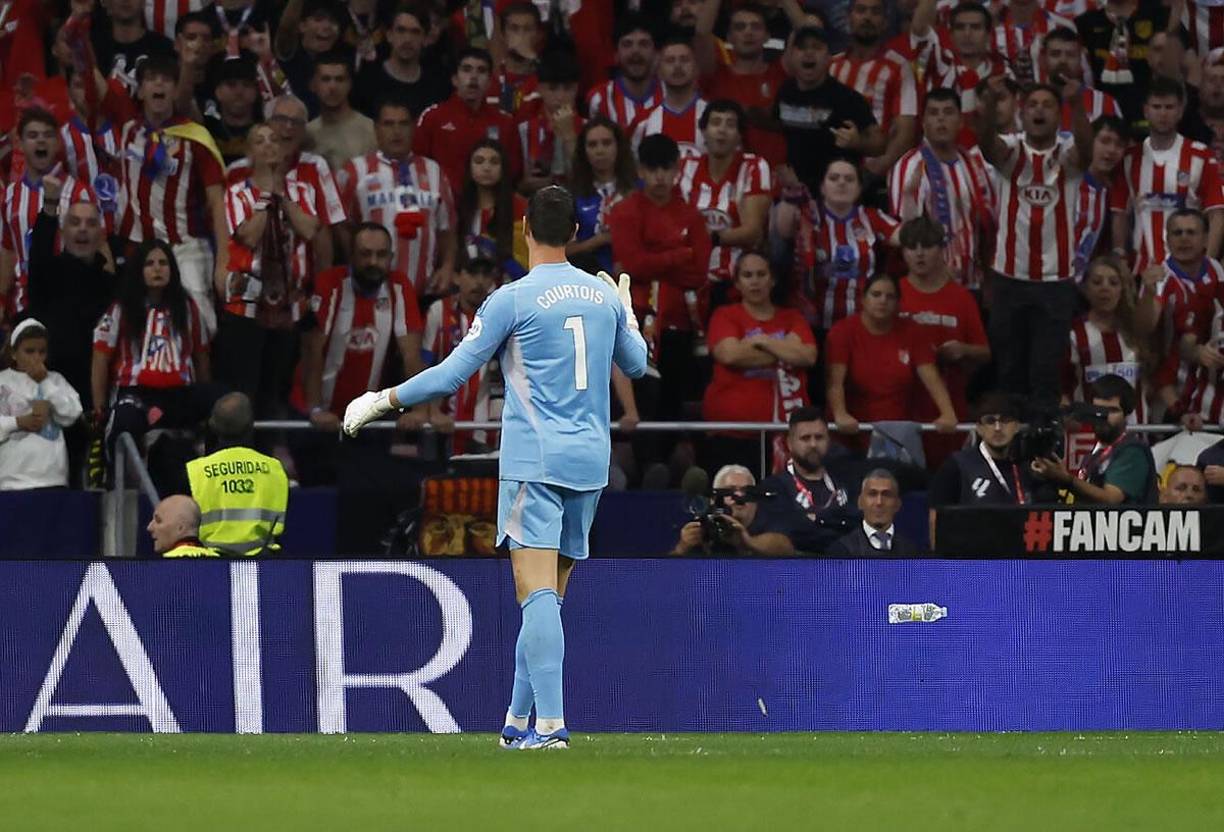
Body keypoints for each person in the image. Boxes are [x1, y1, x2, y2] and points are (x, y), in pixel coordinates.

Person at [342, 185, 649, 751]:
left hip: (536, 461)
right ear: (576, 234)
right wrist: (627, 316)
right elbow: (636, 363)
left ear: (525, 230)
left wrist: (381, 400)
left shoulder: (512, 298)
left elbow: (449, 376)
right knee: (548, 601)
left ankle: (552, 730)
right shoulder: (602, 297)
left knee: (534, 597)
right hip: (589, 463)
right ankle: (514, 723)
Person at [977, 75, 1093, 413]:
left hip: (1055, 282)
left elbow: (1086, 151)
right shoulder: (1010, 150)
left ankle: (1041, 450)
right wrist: (989, 105)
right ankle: (1008, 447)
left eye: (1048, 105)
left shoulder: (1067, 154)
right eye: (1033, 105)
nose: (1039, 111)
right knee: (1009, 370)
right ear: (1021, 113)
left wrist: (1078, 104)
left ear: (1058, 115)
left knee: (1045, 372)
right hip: (1009, 278)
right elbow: (987, 146)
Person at [608, 134, 712, 422]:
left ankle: (667, 463)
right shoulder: (625, 211)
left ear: (677, 170)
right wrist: (679, 255)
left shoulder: (691, 216)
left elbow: (698, 272)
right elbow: (631, 266)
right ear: (640, 171)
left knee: (674, 402)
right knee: (643, 400)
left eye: (666, 169)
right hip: (637, 321)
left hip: (681, 324)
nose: (660, 177)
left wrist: (652, 259)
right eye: (652, 169)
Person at [91, 241, 214, 465]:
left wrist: (204, 393)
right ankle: (122, 483)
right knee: (124, 422)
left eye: (163, 263)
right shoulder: (121, 308)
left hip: (179, 394)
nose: (157, 269)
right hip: (135, 393)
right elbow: (101, 356)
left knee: (226, 404)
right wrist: (100, 409)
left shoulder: (188, 307)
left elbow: (201, 355)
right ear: (139, 270)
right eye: (150, 264)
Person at [702, 253, 817, 474]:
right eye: (747, 275)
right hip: (731, 435)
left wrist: (761, 341)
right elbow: (730, 355)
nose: (755, 281)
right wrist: (784, 349)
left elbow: (808, 356)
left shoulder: (792, 317)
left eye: (761, 274)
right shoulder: (725, 315)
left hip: (784, 435)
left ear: (772, 279)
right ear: (737, 282)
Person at [338, 97, 457, 296]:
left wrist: (447, 267)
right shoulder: (355, 171)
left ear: (413, 128)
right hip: (369, 289)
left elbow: (448, 229)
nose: (396, 131)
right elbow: (342, 228)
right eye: (388, 124)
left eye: (403, 124)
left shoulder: (434, 171)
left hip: (425, 291)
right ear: (376, 129)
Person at [897, 216, 990, 466]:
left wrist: (962, 350)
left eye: (926, 246)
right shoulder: (893, 294)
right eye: (911, 247)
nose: (919, 254)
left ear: (941, 250)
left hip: (950, 406)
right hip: (901, 406)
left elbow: (985, 352)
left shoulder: (961, 298)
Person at [826, 272, 959, 438]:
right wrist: (840, 414)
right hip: (854, 430)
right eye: (876, 295)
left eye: (890, 297)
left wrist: (948, 413)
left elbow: (931, 377)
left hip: (899, 432)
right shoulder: (842, 331)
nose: (883, 301)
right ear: (863, 299)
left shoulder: (912, 332)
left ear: (898, 303)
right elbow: (834, 383)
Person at [1111, 79, 1224, 273]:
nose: (1163, 113)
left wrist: (1207, 264)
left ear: (1180, 111)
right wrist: (1120, 255)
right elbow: (1119, 213)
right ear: (1146, 111)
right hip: (1141, 270)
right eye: (1157, 107)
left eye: (1169, 107)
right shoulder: (1129, 159)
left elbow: (1216, 215)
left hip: (1189, 270)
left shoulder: (1201, 155)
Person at [889, 88, 996, 290]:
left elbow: (987, 224)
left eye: (948, 112)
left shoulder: (975, 165)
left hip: (974, 282)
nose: (940, 119)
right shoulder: (910, 165)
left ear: (960, 122)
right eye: (933, 113)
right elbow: (906, 233)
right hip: (929, 286)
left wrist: (989, 279)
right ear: (923, 123)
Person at [790, 158, 900, 333]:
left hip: (863, 322)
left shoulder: (871, 217)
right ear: (822, 188)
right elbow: (781, 226)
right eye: (834, 178)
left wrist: (908, 199)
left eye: (849, 179)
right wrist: (791, 197)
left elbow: (908, 238)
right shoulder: (807, 217)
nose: (842, 183)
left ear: (858, 189)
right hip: (814, 323)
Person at [773, 26, 884, 196]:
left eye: (816, 47)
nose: (808, 53)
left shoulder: (847, 98)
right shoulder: (785, 92)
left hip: (837, 192)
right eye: (801, 47)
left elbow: (879, 144)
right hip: (796, 190)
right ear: (791, 56)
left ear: (828, 58)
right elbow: (775, 128)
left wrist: (858, 142)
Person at [677, 99, 772, 292]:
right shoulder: (685, 167)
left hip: (736, 282)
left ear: (739, 135)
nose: (722, 130)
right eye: (715, 123)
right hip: (688, 276)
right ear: (703, 131)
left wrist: (709, 238)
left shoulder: (753, 167)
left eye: (730, 124)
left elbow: (752, 232)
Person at [187, 392, 290, 555]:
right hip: (264, 562)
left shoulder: (195, 471)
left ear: (212, 426)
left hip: (211, 564)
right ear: (251, 425)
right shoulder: (274, 468)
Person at [414, 47, 522, 202]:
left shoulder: (505, 122)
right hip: (444, 206)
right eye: (466, 69)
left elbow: (513, 170)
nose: (473, 77)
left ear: (490, 82)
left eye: (481, 70)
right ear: (455, 79)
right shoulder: (433, 117)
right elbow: (419, 165)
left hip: (491, 209)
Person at [1031, 373, 1159, 504]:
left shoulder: (1132, 452)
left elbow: (1111, 498)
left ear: (1126, 414)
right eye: (1098, 410)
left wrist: (1067, 479)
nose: (1103, 417)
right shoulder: (1097, 453)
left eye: (1112, 411)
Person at [928, 392, 1037, 542]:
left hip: (1017, 558)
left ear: (1017, 427)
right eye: (990, 421)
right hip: (972, 558)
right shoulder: (957, 465)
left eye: (1005, 421)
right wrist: (940, 562)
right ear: (979, 428)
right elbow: (936, 519)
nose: (998, 428)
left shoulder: (1026, 467)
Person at [830, 0, 919, 180]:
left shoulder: (899, 67)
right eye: (861, 10)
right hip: (829, 171)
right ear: (849, 18)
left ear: (885, 22)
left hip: (873, 177)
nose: (867, 17)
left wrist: (875, 171)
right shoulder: (831, 66)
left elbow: (906, 131)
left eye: (875, 12)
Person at [421, 255, 502, 454]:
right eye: (473, 273)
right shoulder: (439, 311)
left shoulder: (502, 316)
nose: (480, 281)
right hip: (440, 423)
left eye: (486, 275)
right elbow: (424, 365)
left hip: (486, 428)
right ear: (457, 277)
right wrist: (430, 411)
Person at [753, 407, 855, 554]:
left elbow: (856, 522)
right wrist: (836, 524)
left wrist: (816, 518)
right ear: (789, 443)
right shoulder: (773, 487)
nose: (813, 444)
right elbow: (787, 533)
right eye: (805, 438)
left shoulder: (846, 480)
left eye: (819, 437)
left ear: (828, 440)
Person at [1065, 256, 1150, 423]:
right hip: (1088, 432)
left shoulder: (1136, 329)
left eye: (1113, 283)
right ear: (1085, 288)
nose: (1105, 288)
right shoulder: (1074, 334)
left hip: (1134, 430)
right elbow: (1063, 387)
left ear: (1122, 289)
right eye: (1097, 282)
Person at [0, 319, 83, 490]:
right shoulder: (2, 380)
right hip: (11, 480)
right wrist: (18, 422)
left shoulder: (55, 380)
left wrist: (45, 383)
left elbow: (72, 414)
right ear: (14, 353)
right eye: (29, 351)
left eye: (41, 352)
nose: (36, 358)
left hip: (52, 478)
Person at [671, 464, 796, 556]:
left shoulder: (765, 521)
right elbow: (666, 574)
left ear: (755, 503)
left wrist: (747, 541)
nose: (739, 498)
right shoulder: (703, 524)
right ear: (714, 500)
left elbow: (786, 548)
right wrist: (682, 548)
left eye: (746, 492)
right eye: (730, 492)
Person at [352, 4, 449, 120]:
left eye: (415, 32)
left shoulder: (438, 85)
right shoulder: (366, 81)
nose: (407, 39)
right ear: (389, 35)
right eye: (401, 30)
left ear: (424, 38)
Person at [566, 118, 636, 274]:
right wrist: (599, 241)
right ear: (583, 151)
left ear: (619, 147)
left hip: (635, 277)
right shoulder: (573, 196)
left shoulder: (638, 189)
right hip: (589, 279)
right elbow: (563, 251)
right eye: (592, 145)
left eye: (606, 143)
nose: (600, 150)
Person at [457, 139, 528, 279]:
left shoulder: (521, 207)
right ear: (469, 168)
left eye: (494, 162)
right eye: (479, 161)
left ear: (504, 168)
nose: (486, 168)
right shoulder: (459, 207)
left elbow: (525, 260)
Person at [516, 48, 584, 194]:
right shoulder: (523, 131)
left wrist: (569, 137)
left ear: (577, 89)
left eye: (567, 89)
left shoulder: (590, 129)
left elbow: (588, 182)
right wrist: (525, 185)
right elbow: (511, 186)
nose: (560, 96)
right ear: (540, 89)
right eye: (552, 88)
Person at [630, 35, 707, 159]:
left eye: (684, 59)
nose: (677, 66)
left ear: (696, 68)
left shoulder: (713, 118)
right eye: (670, 60)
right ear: (659, 71)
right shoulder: (643, 122)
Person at [586, 14, 662, 129]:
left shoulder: (671, 95)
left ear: (656, 54)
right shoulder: (599, 99)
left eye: (643, 44)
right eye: (627, 44)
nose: (635, 51)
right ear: (616, 55)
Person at [307, 50, 377, 177]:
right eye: (325, 79)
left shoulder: (371, 130)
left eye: (339, 79)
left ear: (350, 84)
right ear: (313, 85)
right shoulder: (306, 133)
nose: (332, 86)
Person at [828, 468, 920, 555]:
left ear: (898, 504)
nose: (879, 502)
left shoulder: (912, 552)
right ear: (860, 502)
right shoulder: (842, 550)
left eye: (886, 495)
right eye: (872, 494)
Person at [148, 494, 220, 557]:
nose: (149, 527)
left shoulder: (156, 568)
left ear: (180, 528)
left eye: (158, 521)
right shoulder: (225, 565)